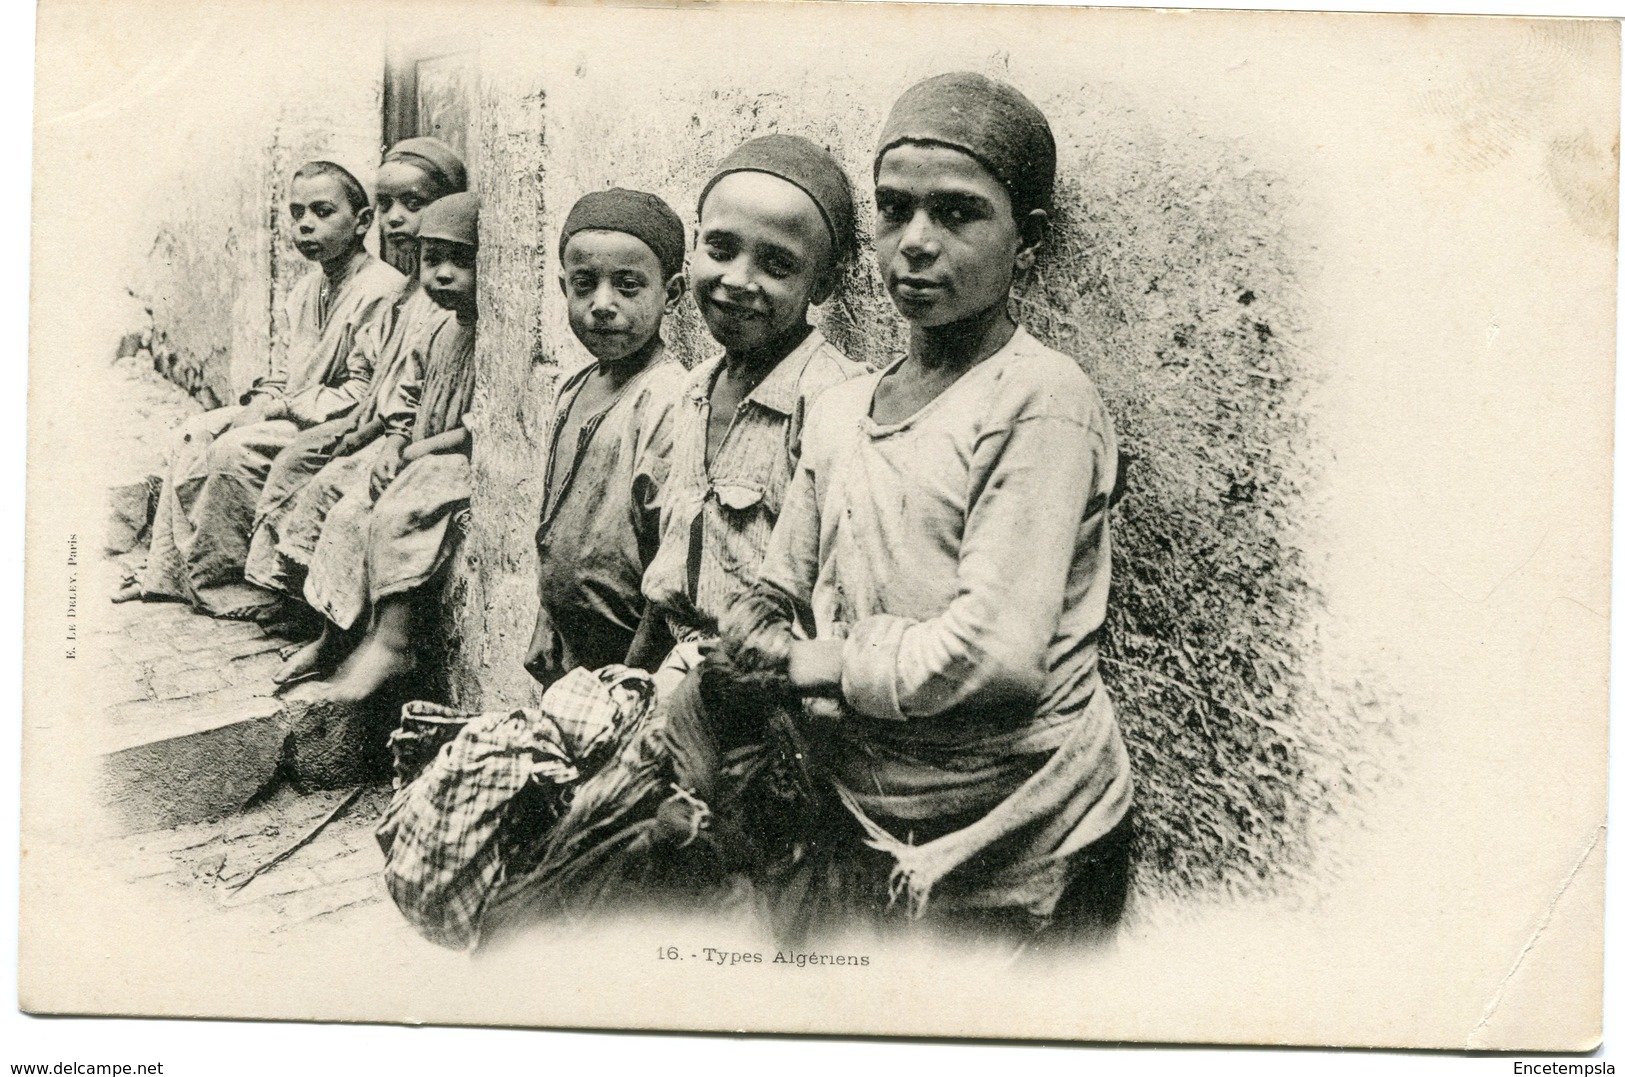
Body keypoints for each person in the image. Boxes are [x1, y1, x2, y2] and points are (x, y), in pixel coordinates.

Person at [735, 72, 1135, 947]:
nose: (914, 243)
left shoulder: (1036, 399)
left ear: (1025, 240)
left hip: (1015, 840)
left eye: (957, 214)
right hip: (863, 822)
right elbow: (778, 586)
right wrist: (755, 632)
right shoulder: (842, 409)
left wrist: (811, 665)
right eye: (892, 209)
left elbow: (990, 659)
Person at [475, 135, 864, 937]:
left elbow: (837, 603)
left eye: (777, 265)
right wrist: (626, 682)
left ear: (823, 281)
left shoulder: (834, 403)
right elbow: (670, 573)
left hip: (761, 714)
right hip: (675, 691)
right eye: (721, 249)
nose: (738, 281)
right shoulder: (693, 392)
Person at [128, 159, 405, 619]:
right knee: (194, 431)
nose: (305, 225)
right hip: (294, 409)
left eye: (321, 211)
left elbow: (363, 390)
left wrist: (281, 408)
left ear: (361, 222)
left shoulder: (380, 290)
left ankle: (244, 585)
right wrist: (262, 400)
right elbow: (287, 370)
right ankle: (171, 577)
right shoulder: (306, 290)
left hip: (336, 422)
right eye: (297, 213)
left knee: (234, 450)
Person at [245, 139, 468, 679]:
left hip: (422, 444)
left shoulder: (450, 310)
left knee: (348, 498)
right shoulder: (405, 296)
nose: (396, 219)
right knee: (311, 469)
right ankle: (298, 600)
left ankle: (337, 637)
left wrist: (389, 439)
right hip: (385, 429)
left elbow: (417, 405)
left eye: (412, 205)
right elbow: (390, 389)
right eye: (387, 205)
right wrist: (364, 430)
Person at [289, 192, 480, 705]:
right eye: (431, 260)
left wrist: (417, 453)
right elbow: (408, 398)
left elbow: (478, 428)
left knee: (399, 511)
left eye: (461, 262)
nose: (442, 275)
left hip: (454, 463)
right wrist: (397, 442)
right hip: (417, 454)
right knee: (352, 510)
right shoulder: (437, 328)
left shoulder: (488, 339)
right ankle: (334, 634)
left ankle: (393, 641)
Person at [521, 188, 690, 688]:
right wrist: (546, 623)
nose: (601, 305)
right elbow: (553, 524)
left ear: (673, 293)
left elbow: (669, 563)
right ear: (563, 287)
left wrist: (633, 679)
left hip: (633, 657)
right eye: (584, 284)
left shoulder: (665, 399)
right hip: (573, 653)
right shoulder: (573, 390)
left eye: (628, 285)